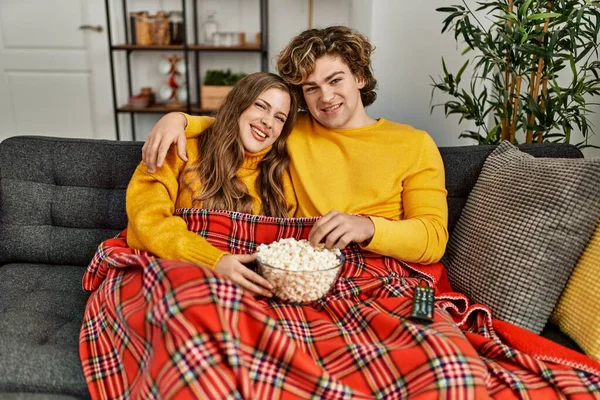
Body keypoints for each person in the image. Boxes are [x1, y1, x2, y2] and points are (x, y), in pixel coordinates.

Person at [142, 26, 449, 265]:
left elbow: (433, 238)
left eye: (335, 80)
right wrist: (179, 119)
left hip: (379, 262)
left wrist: (368, 227)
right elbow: (238, 124)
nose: (325, 97)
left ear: (359, 77)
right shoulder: (290, 128)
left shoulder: (415, 144)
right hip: (310, 261)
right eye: (311, 88)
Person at [126, 72, 298, 297]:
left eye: (279, 117)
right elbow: (147, 221)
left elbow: (288, 249)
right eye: (261, 106)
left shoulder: (279, 177)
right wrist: (213, 261)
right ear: (239, 104)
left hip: (248, 288)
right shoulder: (180, 148)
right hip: (181, 273)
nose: (268, 121)